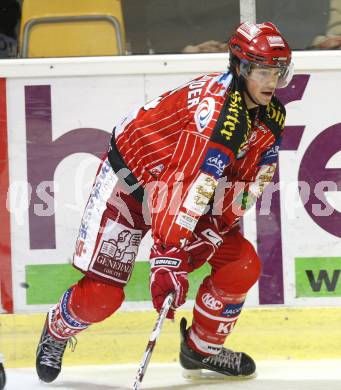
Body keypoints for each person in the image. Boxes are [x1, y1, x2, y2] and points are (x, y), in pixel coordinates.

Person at [35, 21, 293, 382]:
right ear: (238, 67)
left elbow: (247, 182)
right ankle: (57, 329)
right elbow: (180, 182)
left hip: (185, 195)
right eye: (262, 71)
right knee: (102, 296)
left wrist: (216, 229)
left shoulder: (271, 117)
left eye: (278, 72)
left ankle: (201, 349)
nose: (270, 82)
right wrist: (169, 257)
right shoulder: (218, 117)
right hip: (129, 188)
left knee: (242, 264)